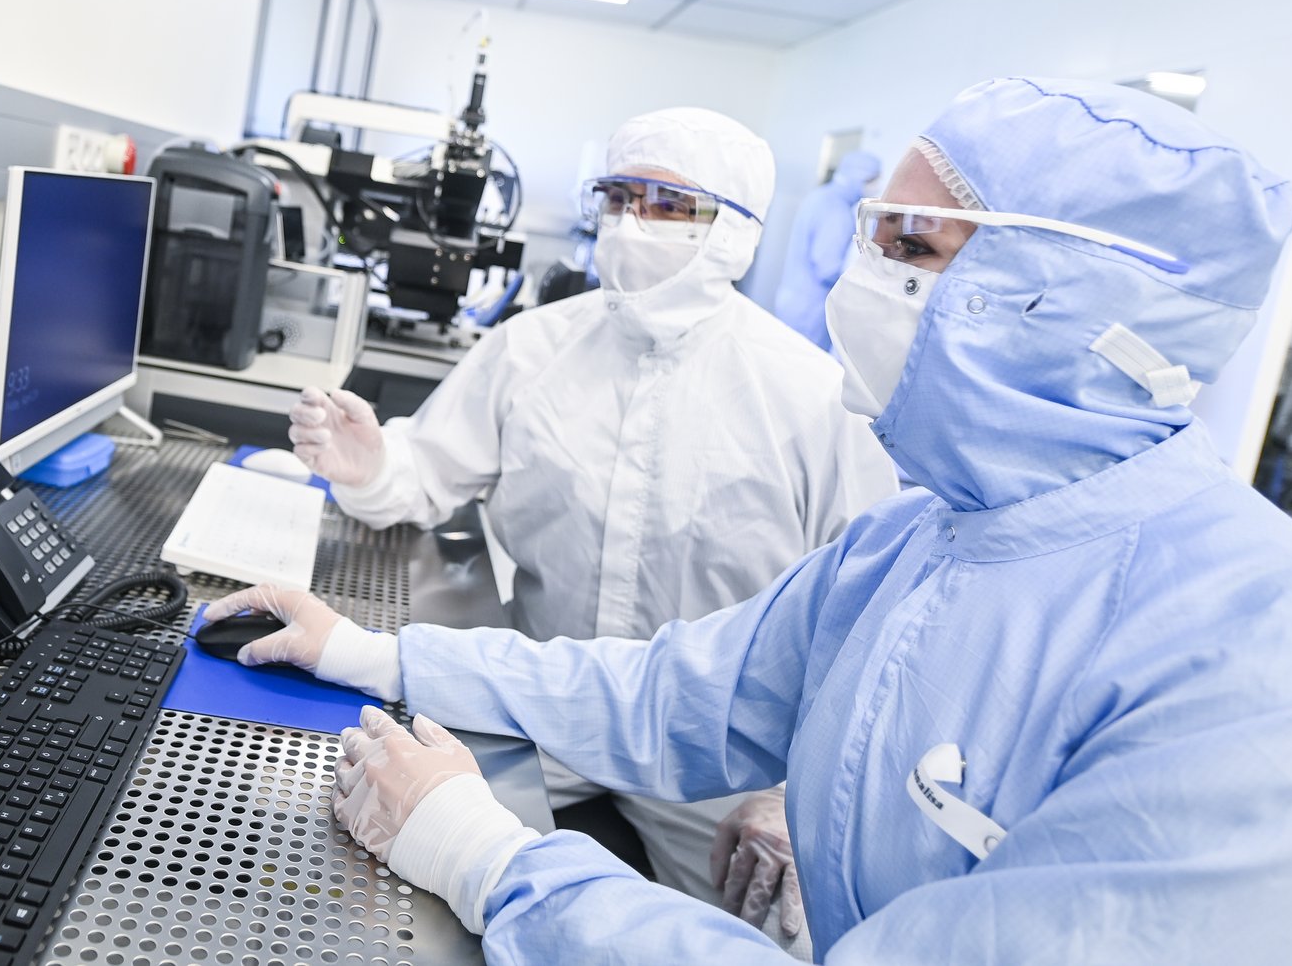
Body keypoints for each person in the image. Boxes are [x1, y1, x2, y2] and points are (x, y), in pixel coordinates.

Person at [212, 77, 1292, 961]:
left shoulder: (1261, 659)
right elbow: (671, 694)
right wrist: (366, 650)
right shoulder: (925, 537)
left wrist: (485, 856)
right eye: (869, 233)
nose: (861, 279)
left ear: (1073, 298)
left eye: (913, 249)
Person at [284, 107, 897, 942]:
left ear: (738, 230)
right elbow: (423, 472)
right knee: (394, 888)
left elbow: (865, 619)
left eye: (667, 204)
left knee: (762, 930)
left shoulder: (813, 397)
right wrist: (372, 467)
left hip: (724, 767)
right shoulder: (529, 350)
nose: (630, 222)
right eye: (616, 196)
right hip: (541, 705)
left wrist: (794, 793)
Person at [771, 150, 882, 350]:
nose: (875, 186)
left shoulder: (819, 196)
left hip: (791, 298)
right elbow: (827, 268)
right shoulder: (837, 212)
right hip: (810, 309)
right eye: (872, 180)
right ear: (859, 177)